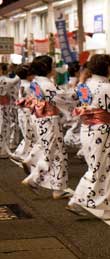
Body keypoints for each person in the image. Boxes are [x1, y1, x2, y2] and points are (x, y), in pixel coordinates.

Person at [67, 54, 110, 220]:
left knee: (96, 166)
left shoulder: (85, 85)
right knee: (106, 167)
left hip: (87, 128)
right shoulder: (108, 87)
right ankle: (90, 202)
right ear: (108, 68)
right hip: (103, 130)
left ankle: (90, 201)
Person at [21, 55, 72, 199]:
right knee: (53, 152)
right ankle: (34, 178)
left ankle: (58, 188)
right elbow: (61, 98)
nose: (55, 68)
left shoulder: (36, 82)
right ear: (47, 68)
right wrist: (76, 94)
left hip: (41, 118)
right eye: (53, 65)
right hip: (49, 120)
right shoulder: (46, 84)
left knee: (56, 152)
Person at [12, 64, 35, 163]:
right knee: (31, 134)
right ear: (29, 75)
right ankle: (26, 156)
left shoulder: (19, 84)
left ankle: (21, 153)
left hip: (21, 111)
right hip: (28, 111)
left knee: (27, 134)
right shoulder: (31, 85)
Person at [0, 63, 20, 159]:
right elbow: (17, 79)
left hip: (4, 105)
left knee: (3, 126)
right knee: (4, 126)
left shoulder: (5, 79)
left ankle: (3, 149)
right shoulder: (6, 80)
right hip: (4, 106)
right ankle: (3, 150)